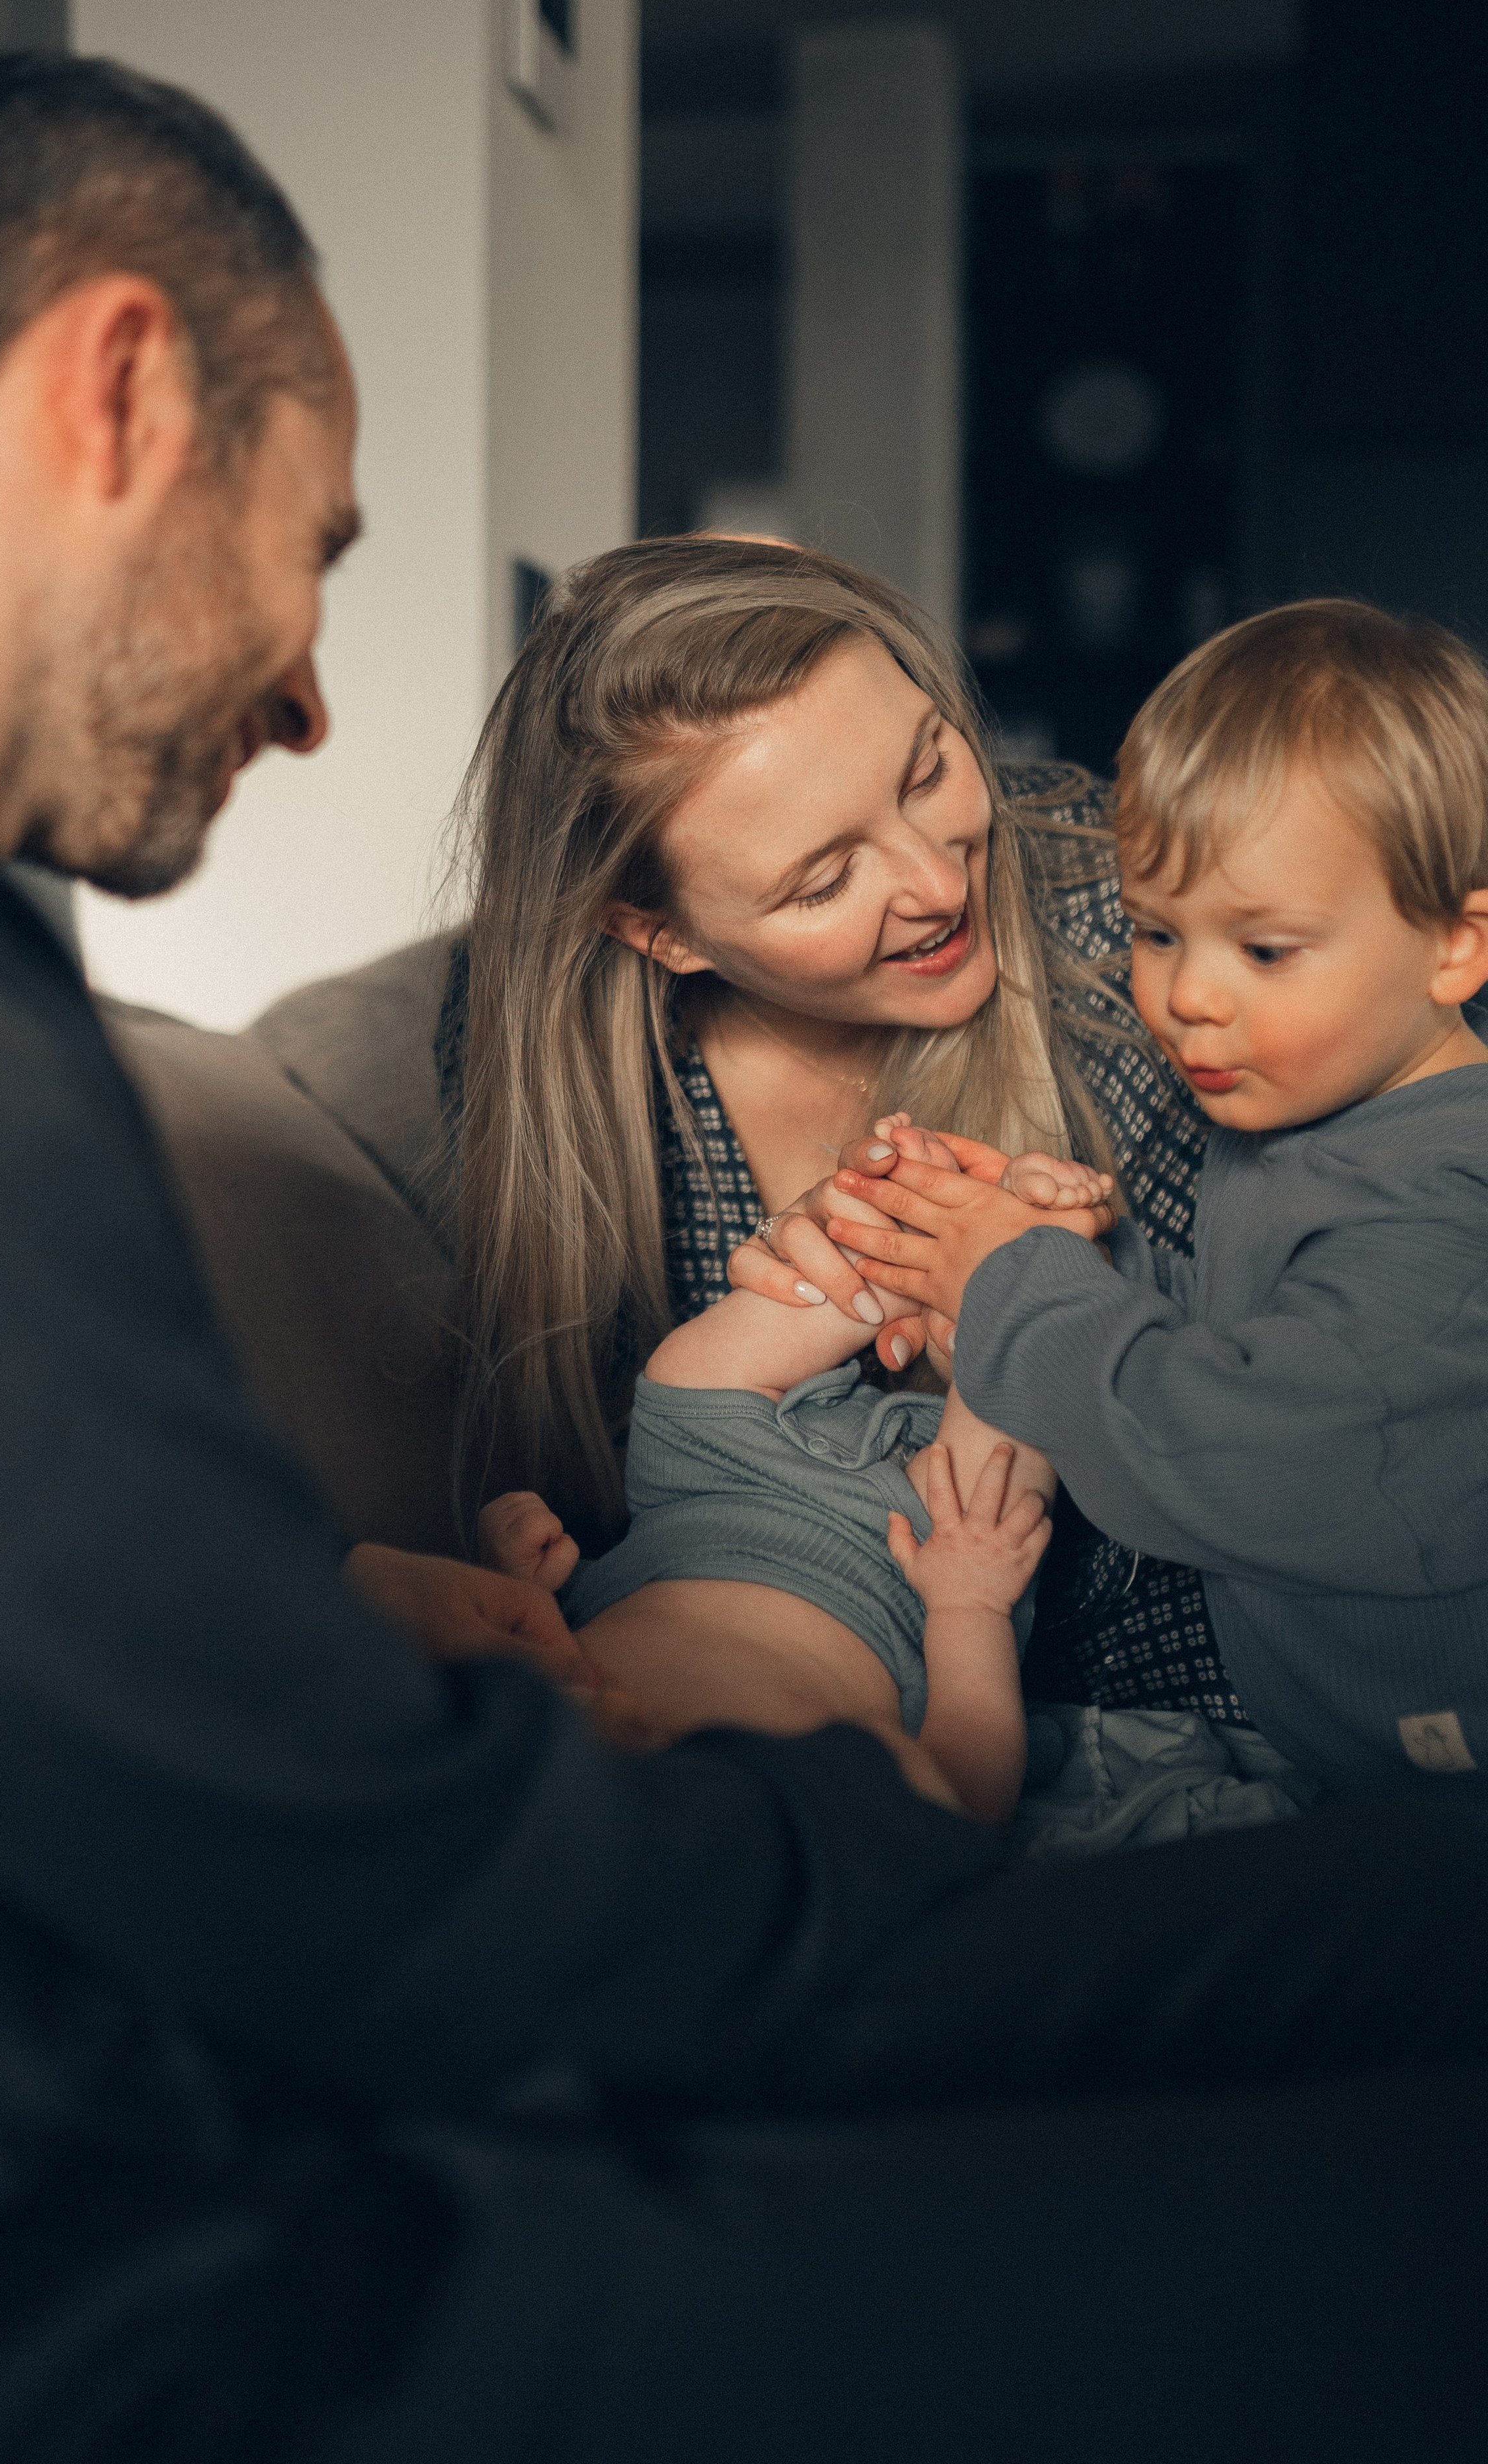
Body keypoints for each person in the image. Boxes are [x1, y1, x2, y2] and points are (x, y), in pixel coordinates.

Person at [0, 50, 1488, 2464]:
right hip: (154, 2258)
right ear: (117, 392)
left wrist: (362, 1616)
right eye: (311, 550)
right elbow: (379, 1900)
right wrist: (861, 1824)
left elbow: (36, 1667)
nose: (301, 690)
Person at [442, 538, 1240, 1734]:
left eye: (927, 770)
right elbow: (639, 1525)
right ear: (657, 934)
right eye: (822, 881)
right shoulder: (565, 1073)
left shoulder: (1135, 914)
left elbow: (1314, 1386)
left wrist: (1043, 1296)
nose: (935, 879)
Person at [808, 602, 1488, 1805]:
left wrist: (1014, 1287)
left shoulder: (1448, 1208)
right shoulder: (1319, 1116)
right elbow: (1256, 1337)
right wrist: (1058, 1248)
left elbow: (1236, 1455)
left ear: (1457, 946)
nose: (1190, 999)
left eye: (1265, 950)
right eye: (1155, 932)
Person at [483, 1123, 1093, 1825]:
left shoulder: (503, 1800)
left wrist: (510, 1582)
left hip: (704, 1487)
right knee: (998, 1468)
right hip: (913, 1564)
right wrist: (970, 1609)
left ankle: (899, 1240)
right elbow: (968, 1795)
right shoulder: (812, 1836)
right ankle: (1023, 1260)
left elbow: (461, 1661)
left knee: (688, 1375)